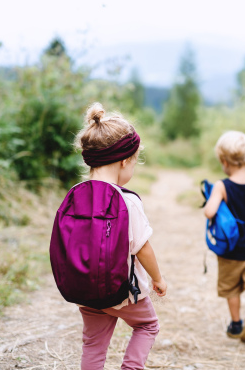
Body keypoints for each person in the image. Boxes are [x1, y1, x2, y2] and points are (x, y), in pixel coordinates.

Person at [73, 102, 167, 370]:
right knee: (148, 326)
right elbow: (142, 247)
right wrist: (158, 279)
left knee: (93, 344)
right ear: (125, 160)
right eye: (134, 163)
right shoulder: (126, 201)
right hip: (121, 291)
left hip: (85, 288)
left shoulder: (77, 195)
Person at [203, 131, 245, 343]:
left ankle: (236, 324)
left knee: (232, 288)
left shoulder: (222, 186)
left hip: (230, 250)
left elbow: (209, 212)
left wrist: (213, 198)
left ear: (224, 161)